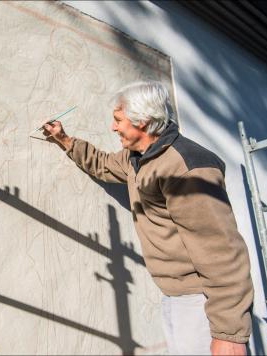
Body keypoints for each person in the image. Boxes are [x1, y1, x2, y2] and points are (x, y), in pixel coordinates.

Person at [41, 81, 254, 355]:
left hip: (202, 302)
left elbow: (222, 251)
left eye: (118, 120)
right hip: (177, 296)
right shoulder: (138, 158)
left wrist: (229, 334)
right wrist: (64, 139)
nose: (113, 127)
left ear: (142, 122)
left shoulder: (185, 168)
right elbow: (104, 164)